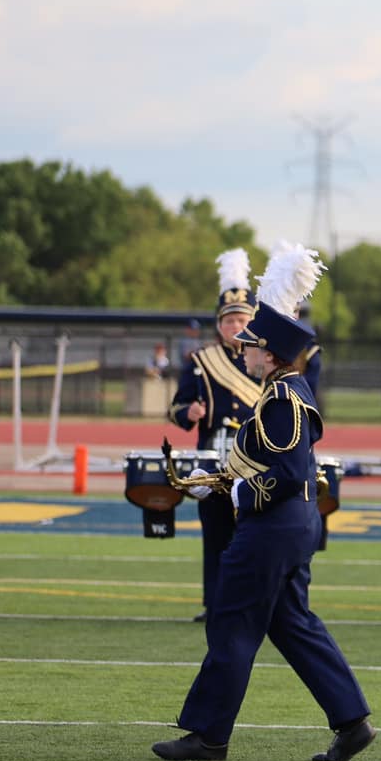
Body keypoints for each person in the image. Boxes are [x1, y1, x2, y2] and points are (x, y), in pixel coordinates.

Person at [155, 242, 374, 761]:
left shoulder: (279, 397)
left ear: (270, 352)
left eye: (252, 343)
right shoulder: (286, 390)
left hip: (272, 526)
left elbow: (287, 472)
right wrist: (221, 479)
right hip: (291, 524)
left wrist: (234, 491)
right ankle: (352, 719)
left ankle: (208, 734)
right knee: (290, 622)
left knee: (232, 620)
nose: (245, 349)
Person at [168, 249, 261, 621]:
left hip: (254, 460)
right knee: (216, 537)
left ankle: (252, 604)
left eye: (242, 319)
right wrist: (188, 413)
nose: (235, 326)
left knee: (252, 536)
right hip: (212, 459)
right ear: (219, 325)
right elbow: (176, 409)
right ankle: (216, 606)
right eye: (229, 320)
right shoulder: (200, 361)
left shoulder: (265, 360)